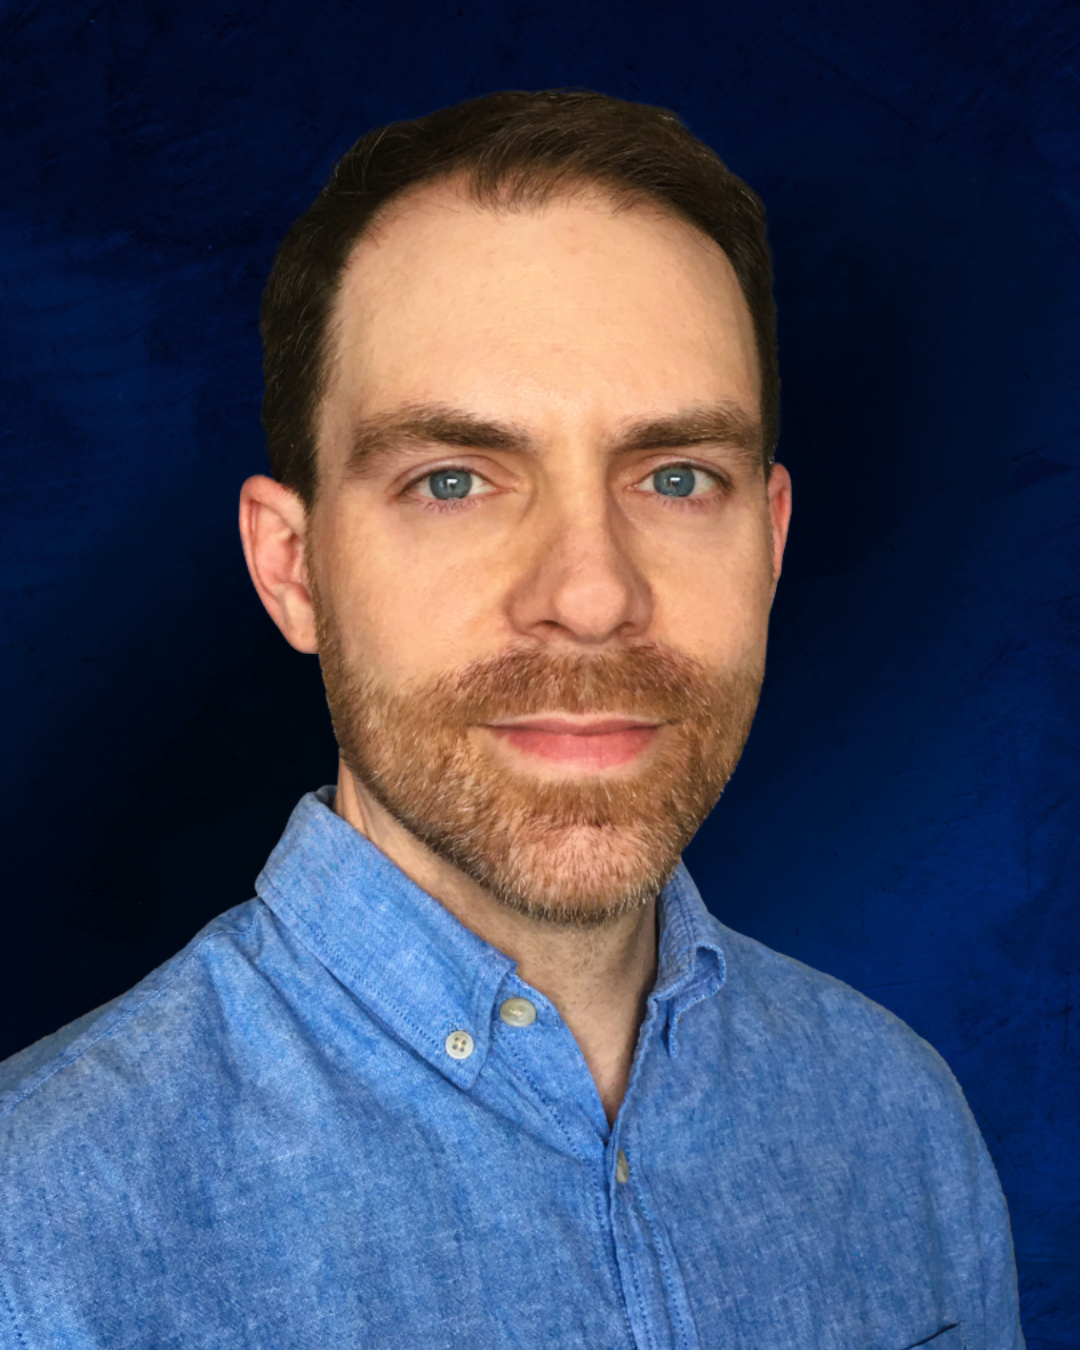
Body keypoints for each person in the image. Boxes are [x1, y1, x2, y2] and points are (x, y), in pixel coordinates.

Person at [0, 90, 1024, 1349]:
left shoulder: (900, 1125)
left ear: (768, 544)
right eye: (454, 481)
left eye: (676, 477)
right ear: (293, 567)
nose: (590, 595)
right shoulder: (33, 1234)